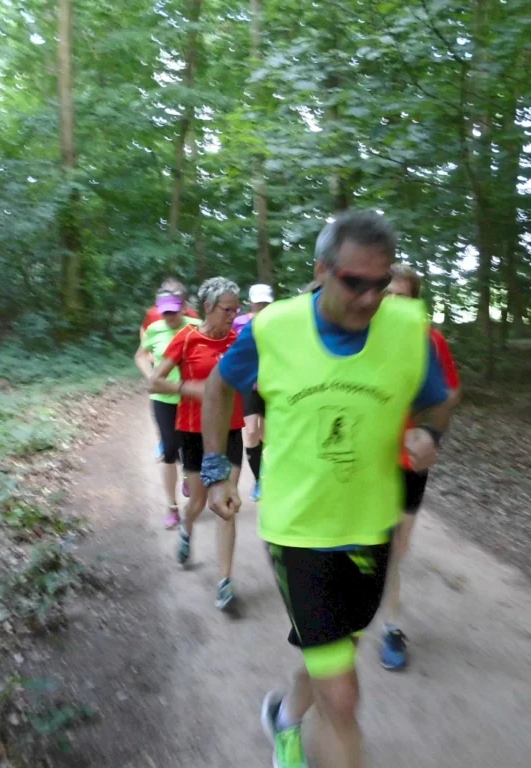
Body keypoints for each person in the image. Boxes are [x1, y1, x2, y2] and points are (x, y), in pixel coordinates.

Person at [200, 210, 452, 768]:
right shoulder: (275, 327)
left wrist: (429, 431)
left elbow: (442, 395)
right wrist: (217, 470)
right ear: (321, 271)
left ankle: (284, 718)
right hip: (298, 531)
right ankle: (304, 731)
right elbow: (218, 389)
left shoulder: (409, 327)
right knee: (344, 695)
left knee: (333, 651)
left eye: (380, 283)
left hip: (371, 525)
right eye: (353, 282)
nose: (369, 297)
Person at [379, 264, 462, 671]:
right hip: (365, 458)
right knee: (373, 542)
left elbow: (450, 392)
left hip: (409, 459)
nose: (394, 301)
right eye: (387, 293)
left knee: (398, 545)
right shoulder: (358, 339)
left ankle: (388, 616)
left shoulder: (429, 341)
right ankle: (380, 622)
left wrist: (430, 432)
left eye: (403, 295)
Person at [149, 277, 245, 611]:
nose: (233, 315)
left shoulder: (239, 340)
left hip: (231, 430)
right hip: (192, 431)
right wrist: (195, 390)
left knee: (227, 505)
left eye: (237, 308)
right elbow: (155, 381)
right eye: (227, 309)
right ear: (208, 307)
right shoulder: (187, 338)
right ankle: (187, 529)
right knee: (199, 502)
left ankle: (225, 581)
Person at [135, 294, 201, 529]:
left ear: (183, 309)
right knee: (170, 448)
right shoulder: (154, 329)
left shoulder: (197, 327)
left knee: (190, 448)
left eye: (174, 311)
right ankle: (172, 508)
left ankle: (186, 477)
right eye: (165, 312)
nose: (170, 316)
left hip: (191, 399)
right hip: (163, 397)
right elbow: (141, 356)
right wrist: (150, 376)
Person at [233, 283, 275, 502]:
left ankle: (269, 477)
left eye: (266, 302)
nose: (262, 305)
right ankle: (258, 479)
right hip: (248, 385)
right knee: (250, 432)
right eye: (258, 302)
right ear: (251, 302)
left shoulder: (279, 321)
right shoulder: (239, 323)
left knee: (267, 434)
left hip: (271, 384)